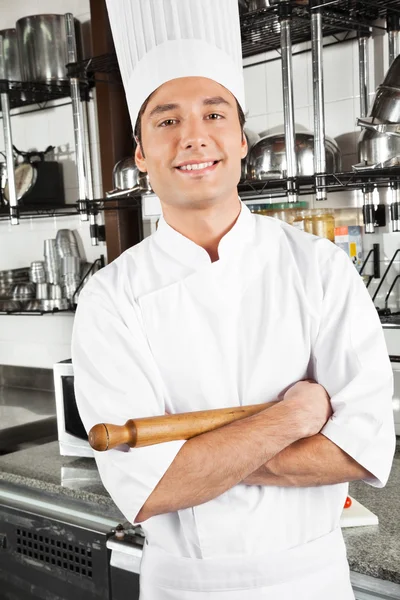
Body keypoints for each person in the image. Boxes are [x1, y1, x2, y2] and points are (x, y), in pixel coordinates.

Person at [71, 1, 396, 598]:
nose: (193, 136)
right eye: (166, 121)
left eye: (213, 114)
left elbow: (362, 448)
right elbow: (149, 489)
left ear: (241, 141)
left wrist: (195, 460)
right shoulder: (110, 298)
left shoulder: (319, 266)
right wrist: (294, 418)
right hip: (183, 585)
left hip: (313, 581)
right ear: (142, 156)